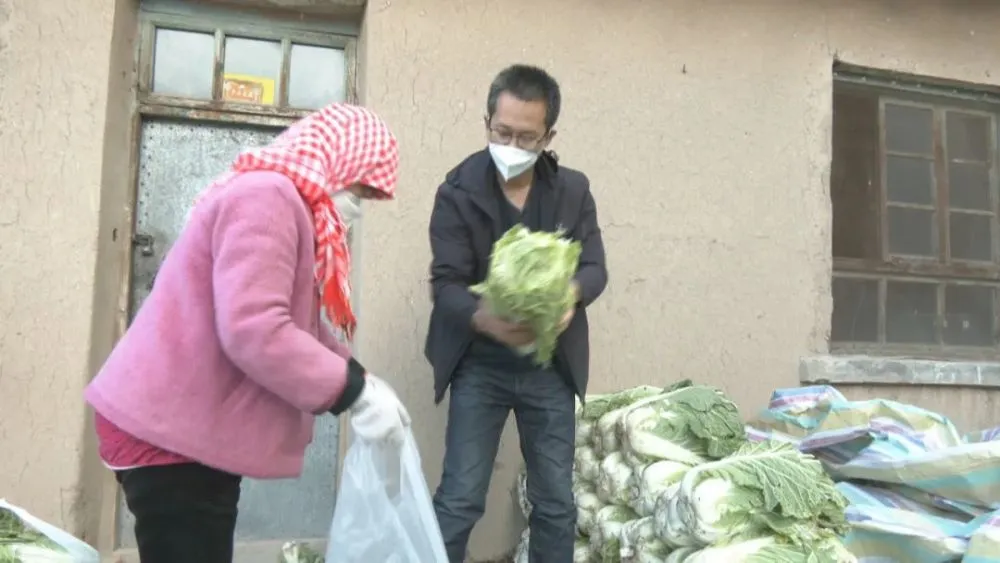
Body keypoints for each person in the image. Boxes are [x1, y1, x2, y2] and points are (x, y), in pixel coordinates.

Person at [83, 104, 411, 563]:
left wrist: (362, 379)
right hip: (168, 434)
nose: (355, 206)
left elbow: (302, 328)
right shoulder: (268, 198)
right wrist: (353, 393)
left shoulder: (282, 203)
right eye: (358, 189)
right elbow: (255, 327)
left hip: (186, 426)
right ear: (338, 160)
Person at [426, 64, 608, 563]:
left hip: (548, 367)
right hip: (479, 365)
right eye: (502, 131)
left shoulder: (572, 190)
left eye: (526, 136)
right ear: (487, 122)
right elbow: (446, 285)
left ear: (548, 136)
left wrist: (568, 296)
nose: (511, 144)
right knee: (460, 497)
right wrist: (486, 318)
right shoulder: (457, 192)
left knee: (554, 503)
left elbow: (594, 268)